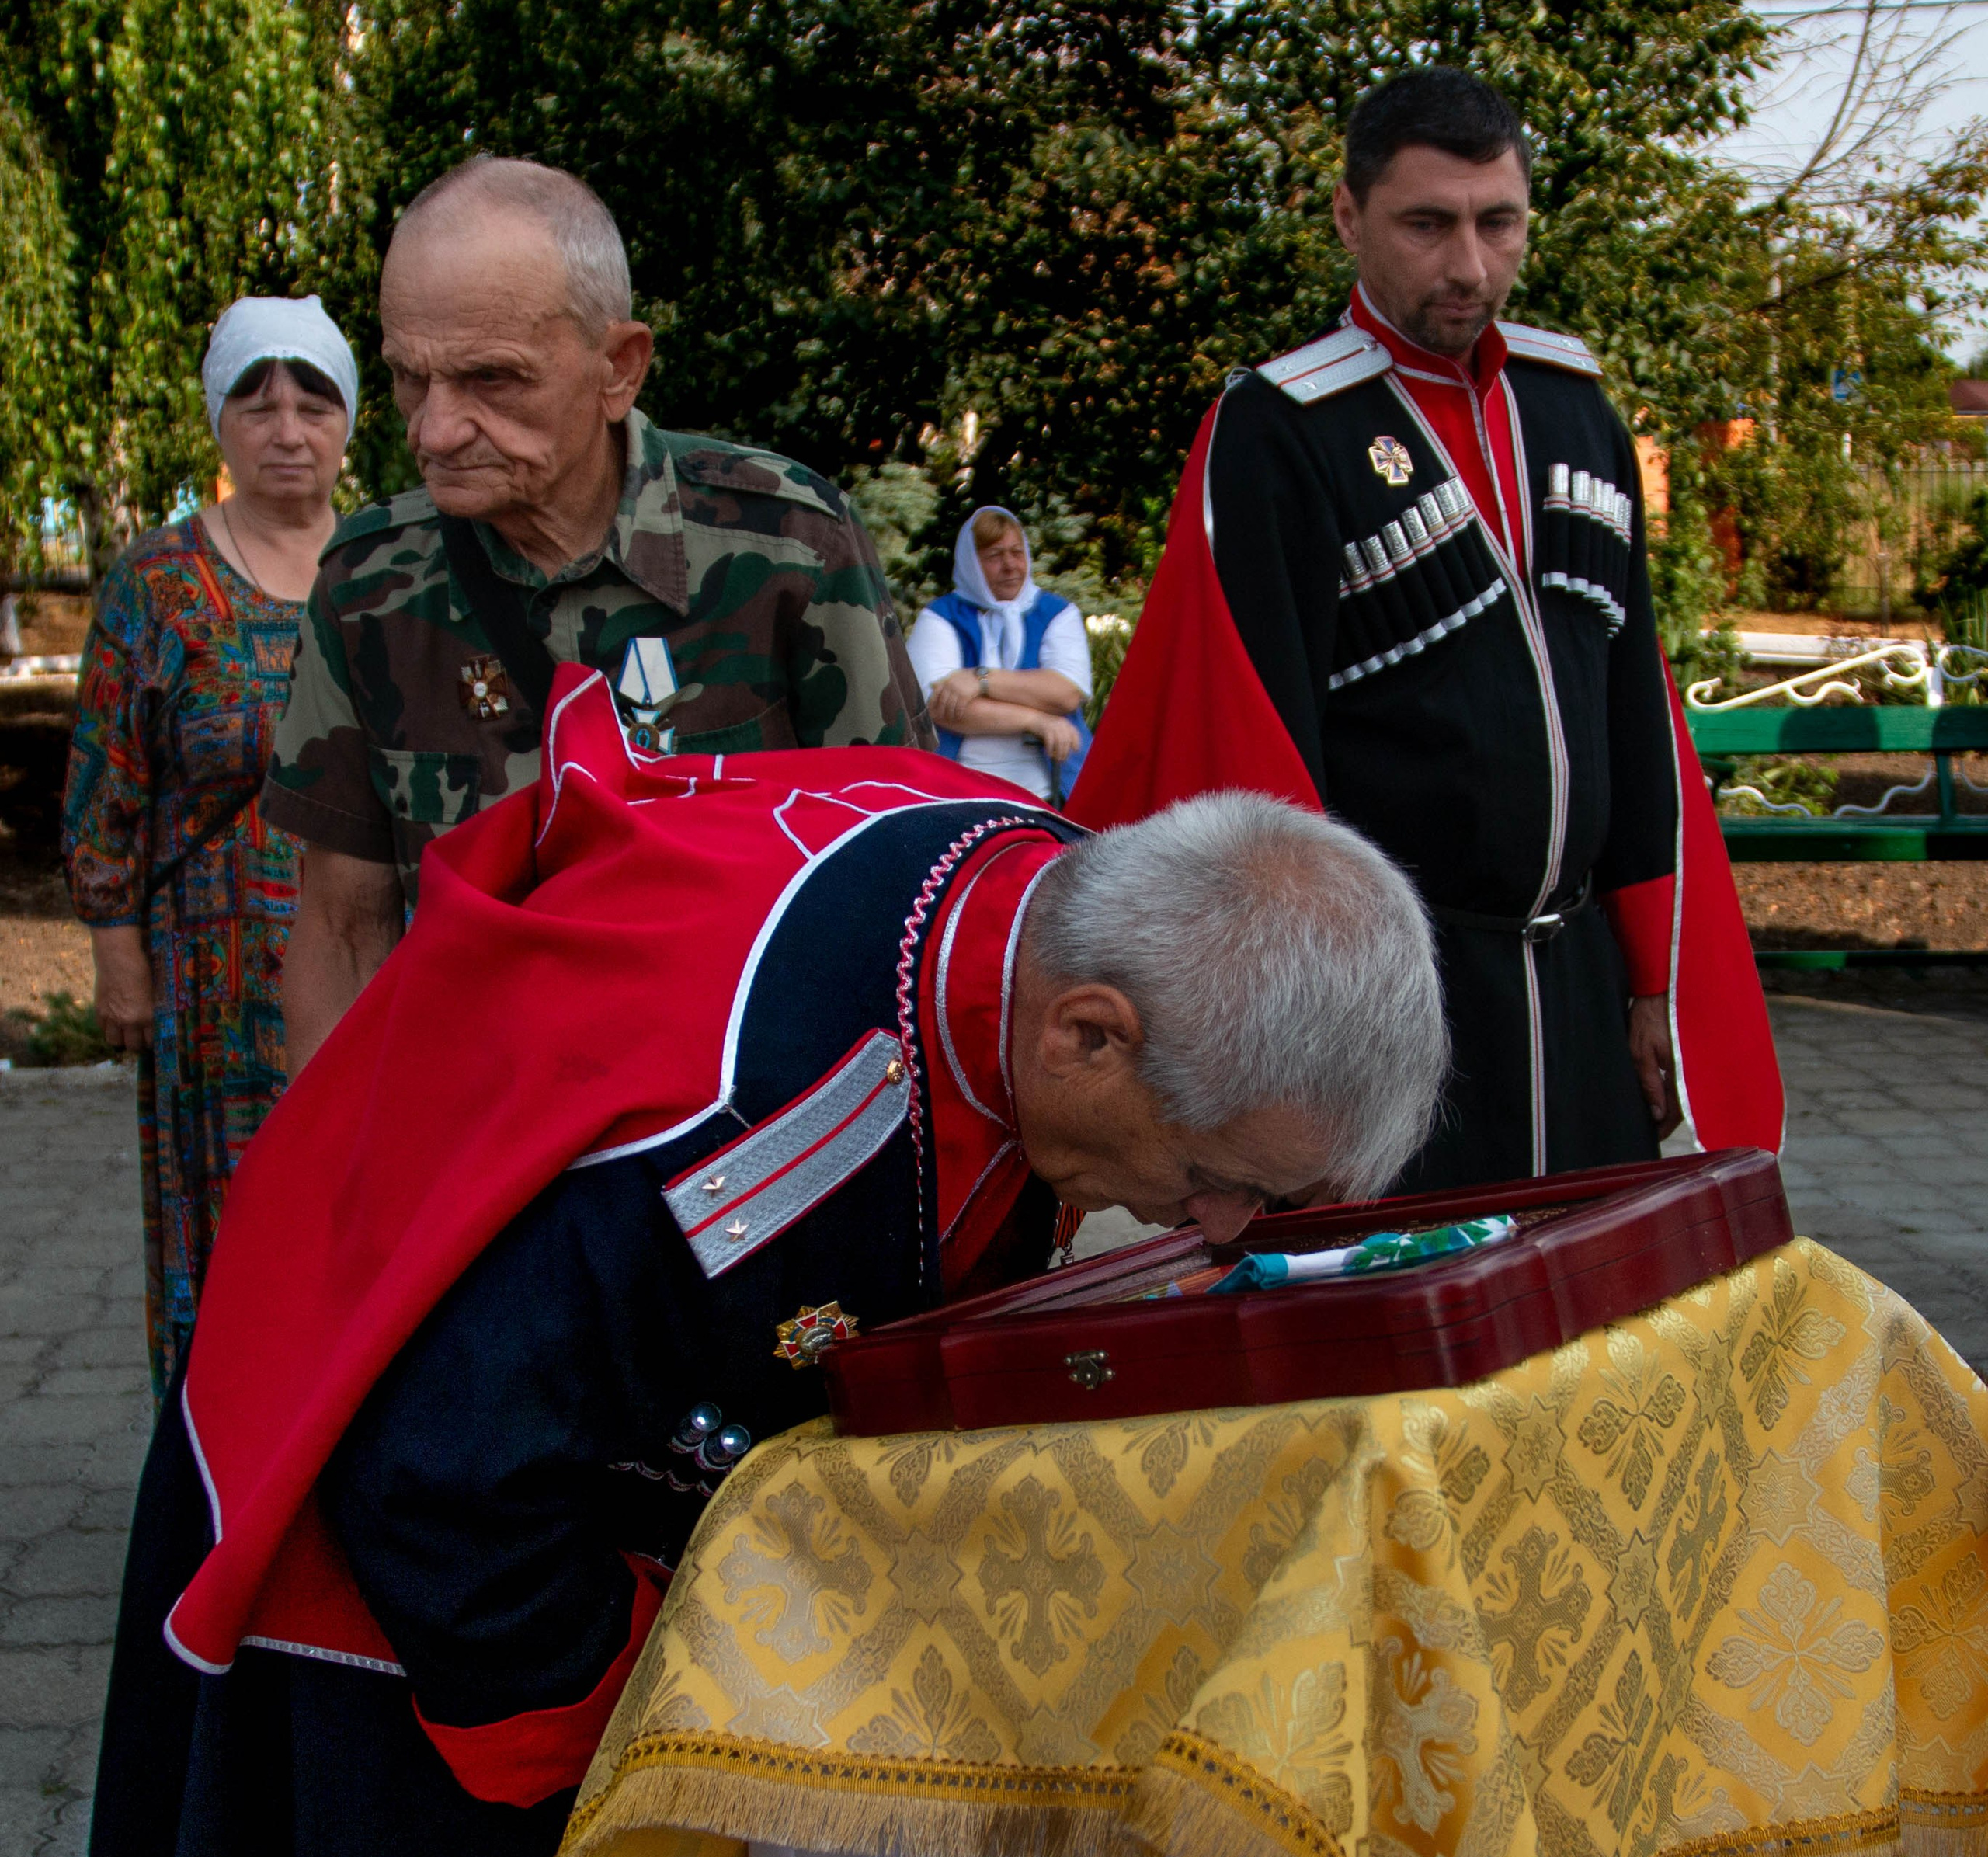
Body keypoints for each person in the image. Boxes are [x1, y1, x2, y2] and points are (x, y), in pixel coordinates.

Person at [85, 669, 1446, 1857]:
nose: (1210, 1227)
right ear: (1088, 1033)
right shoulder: (750, 1125)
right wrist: (641, 1740)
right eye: (1210, 1175)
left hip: (606, 1475)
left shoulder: (1045, 896)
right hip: (418, 1535)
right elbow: (444, 1479)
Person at [1072, 65, 1782, 1186]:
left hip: (1586, 989)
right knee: (1415, 1331)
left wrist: (1657, 979)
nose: (1468, 266)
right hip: (1399, 1010)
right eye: (1427, 224)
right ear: (1351, 217)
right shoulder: (1281, 430)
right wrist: (1291, 1043)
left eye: (1499, 224)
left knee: (1598, 1328)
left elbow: (1637, 715)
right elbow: (1250, 757)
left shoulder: (1573, 407)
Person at [264, 155, 932, 1073]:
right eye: (409, 378)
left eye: (491, 380)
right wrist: (340, 1186)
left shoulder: (788, 545)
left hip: (738, 1138)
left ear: (618, 367)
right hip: (485, 1132)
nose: (433, 429)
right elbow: (344, 928)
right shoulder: (371, 582)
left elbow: (902, 878)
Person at [61, 297, 358, 1398]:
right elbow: (105, 778)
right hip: (214, 978)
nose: (287, 427)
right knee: (224, 1227)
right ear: (219, 423)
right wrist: (115, 949)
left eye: (313, 401)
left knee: (358, 1218)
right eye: (258, 401)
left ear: (348, 422)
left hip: (374, 967)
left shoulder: (386, 569)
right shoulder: (160, 583)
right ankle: (213, 1493)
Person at [909, 506, 1092, 802]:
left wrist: (980, 680)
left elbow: (1066, 693)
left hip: (1051, 789)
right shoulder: (939, 617)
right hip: (958, 792)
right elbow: (937, 708)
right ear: (971, 563)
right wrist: (1037, 720)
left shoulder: (1058, 613)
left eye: (1017, 552)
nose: (1010, 565)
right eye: (994, 556)